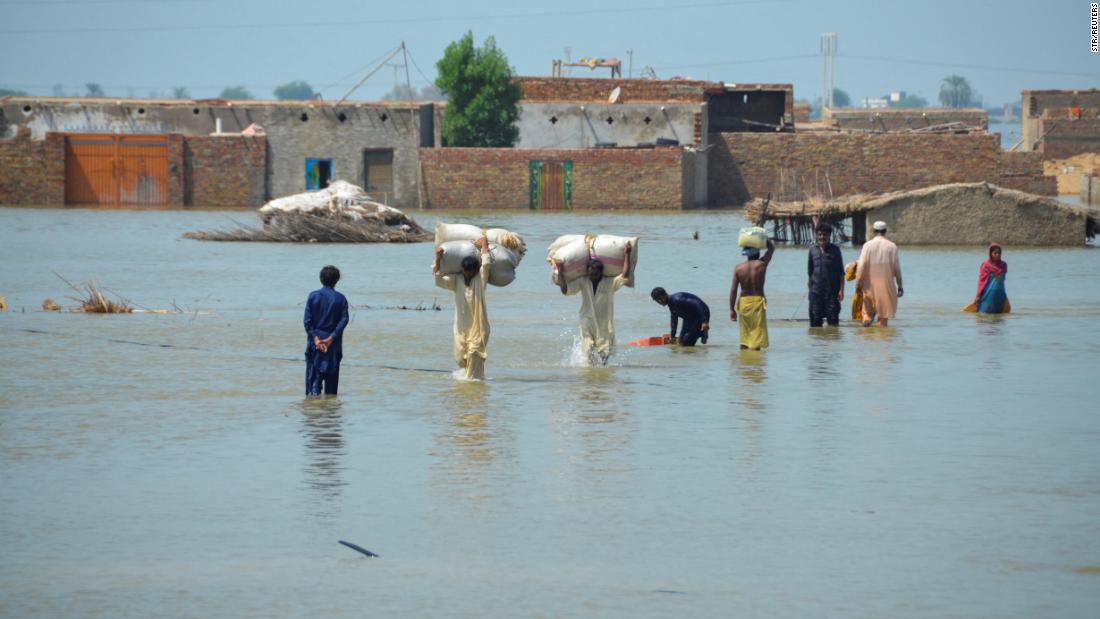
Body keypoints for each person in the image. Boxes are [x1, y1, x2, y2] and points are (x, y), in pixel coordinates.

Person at [556, 243, 634, 365]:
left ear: (601, 273)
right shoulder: (583, 281)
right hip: (587, 321)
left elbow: (625, 275)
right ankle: (591, 376)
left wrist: (627, 254)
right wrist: (560, 270)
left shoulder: (609, 283)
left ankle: (601, 373)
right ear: (587, 272)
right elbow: (565, 290)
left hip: (604, 322)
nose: (593, 275)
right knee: (588, 350)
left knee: (605, 351)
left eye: (596, 273)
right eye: (591, 272)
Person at [434, 235, 492, 380]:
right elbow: (438, 277)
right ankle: (467, 389)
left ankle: (475, 390)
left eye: (470, 272)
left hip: (479, 327)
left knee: (474, 353)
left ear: (475, 271)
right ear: (462, 270)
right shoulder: (457, 280)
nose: (468, 274)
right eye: (466, 272)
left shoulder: (480, 279)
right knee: (461, 358)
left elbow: (486, 265)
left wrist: (484, 245)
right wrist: (438, 258)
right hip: (461, 327)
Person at [304, 265, 350, 396]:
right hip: (333, 345)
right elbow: (344, 320)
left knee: (313, 388)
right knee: (331, 391)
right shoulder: (340, 298)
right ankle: (330, 415)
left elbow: (307, 321)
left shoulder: (313, 296)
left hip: (315, 345)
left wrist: (316, 339)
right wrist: (331, 338)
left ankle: (313, 414)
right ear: (337, 280)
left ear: (321, 279)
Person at [730, 238, 776, 350]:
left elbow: (733, 290)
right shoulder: (762, 264)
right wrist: (763, 238)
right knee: (757, 337)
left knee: (745, 337)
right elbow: (771, 248)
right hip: (757, 303)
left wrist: (732, 309)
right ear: (757, 251)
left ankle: (744, 363)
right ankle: (755, 365)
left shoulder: (738, 268)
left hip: (744, 304)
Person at [855, 221, 903, 327]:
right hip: (886, 288)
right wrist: (900, 285)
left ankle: (867, 336)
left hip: (869, 288)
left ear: (874, 231)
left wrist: (858, 283)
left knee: (867, 315)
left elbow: (861, 266)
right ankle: (881, 341)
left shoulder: (867, 246)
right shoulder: (892, 247)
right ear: (885, 231)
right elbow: (897, 269)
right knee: (883, 320)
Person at [807, 222, 845, 327]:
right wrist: (810, 289)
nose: (822, 237)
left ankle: (831, 343)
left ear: (829, 236)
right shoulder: (812, 250)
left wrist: (841, 290)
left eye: (824, 235)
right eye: (819, 234)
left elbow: (841, 272)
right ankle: (817, 344)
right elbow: (810, 272)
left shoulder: (835, 250)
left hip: (832, 292)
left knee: (833, 322)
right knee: (815, 323)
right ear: (816, 235)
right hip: (816, 292)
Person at [971, 242, 1010, 314]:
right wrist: (978, 296)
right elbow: (982, 282)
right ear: (990, 253)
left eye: (999, 253)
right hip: (988, 294)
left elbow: (1002, 281)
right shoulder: (986, 265)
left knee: (999, 319)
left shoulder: (1004, 265)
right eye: (995, 253)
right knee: (985, 316)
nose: (997, 255)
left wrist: (1005, 295)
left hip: (1000, 294)